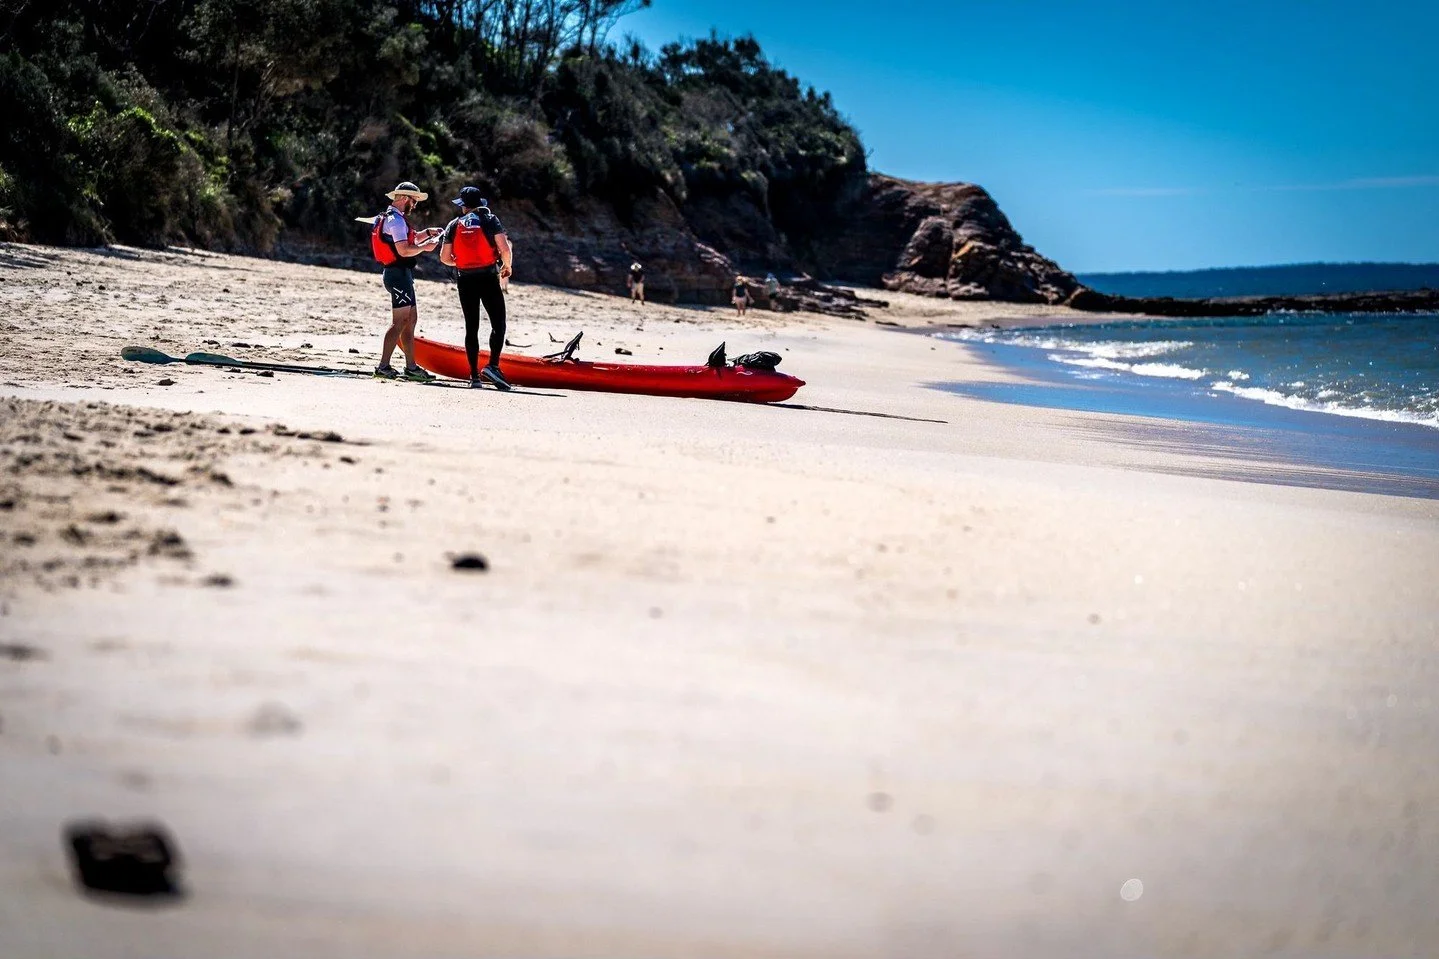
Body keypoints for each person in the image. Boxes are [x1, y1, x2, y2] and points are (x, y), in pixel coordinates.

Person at [438, 186, 514, 390]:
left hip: (465, 280)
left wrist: (462, 263)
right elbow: (504, 249)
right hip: (488, 278)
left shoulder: (453, 225)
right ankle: (493, 366)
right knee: (498, 324)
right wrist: (507, 266)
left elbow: (444, 258)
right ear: (479, 204)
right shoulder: (489, 220)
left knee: (472, 327)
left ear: (464, 206)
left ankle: (474, 377)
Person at [370, 181, 442, 381]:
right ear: (403, 198)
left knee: (410, 321)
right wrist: (425, 247)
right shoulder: (396, 220)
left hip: (401, 274)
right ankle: (383, 367)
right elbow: (403, 250)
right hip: (397, 275)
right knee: (400, 322)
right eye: (414, 200)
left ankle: (411, 367)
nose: (415, 204)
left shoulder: (393, 218)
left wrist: (427, 234)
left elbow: (409, 239)